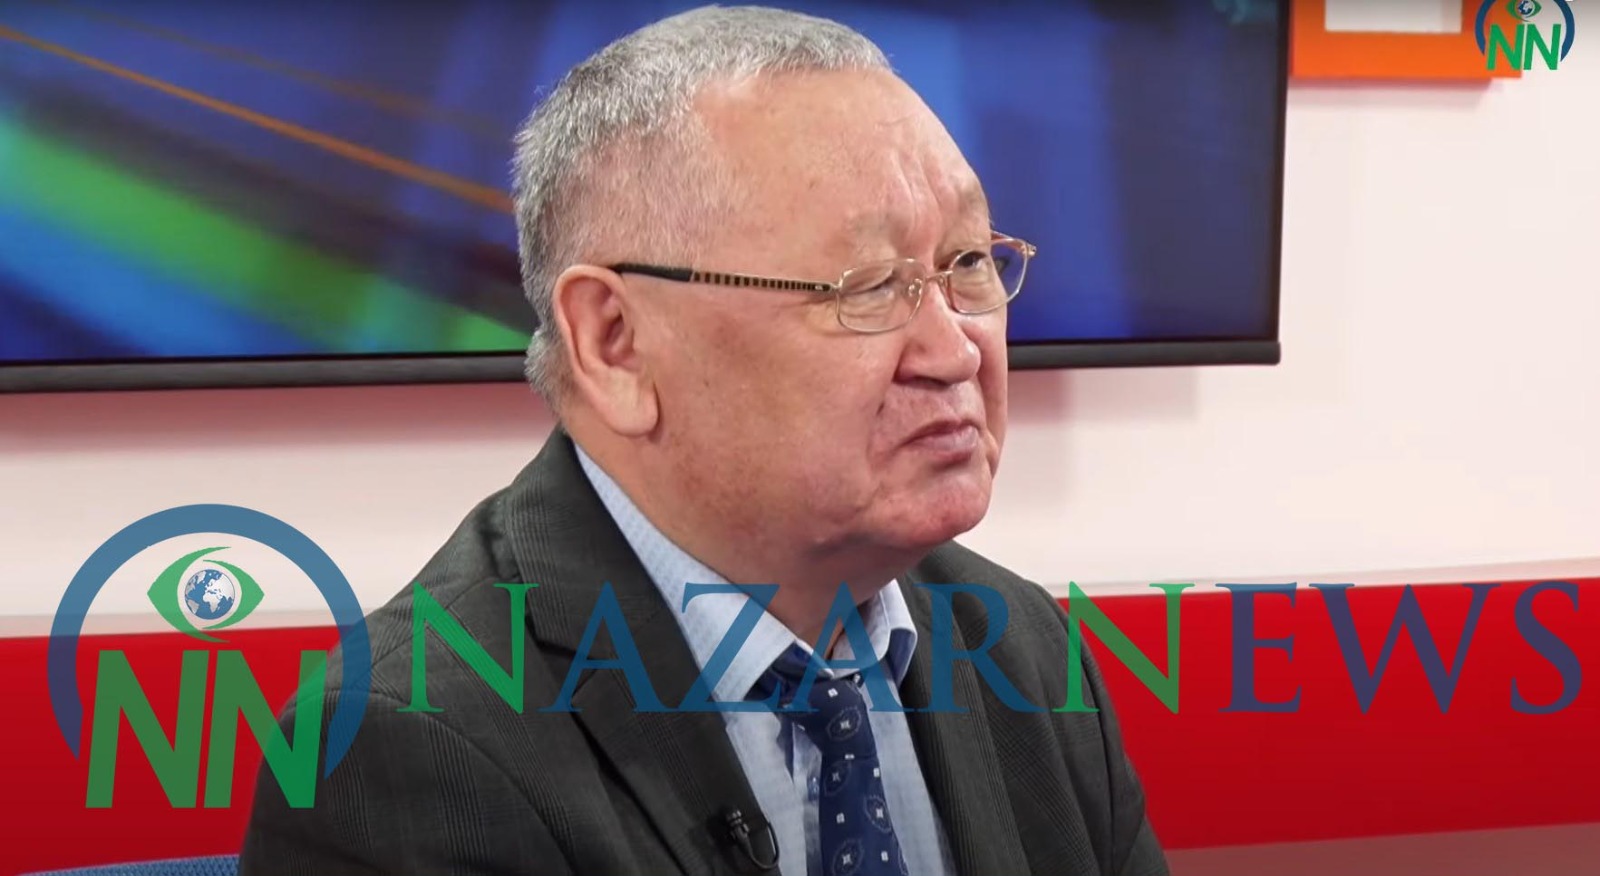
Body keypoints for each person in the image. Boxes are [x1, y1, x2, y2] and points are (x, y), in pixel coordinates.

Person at [241, 6, 1168, 875]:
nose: (955, 349)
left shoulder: (1021, 649)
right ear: (616, 343)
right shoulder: (409, 743)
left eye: (966, 263)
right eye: (868, 285)